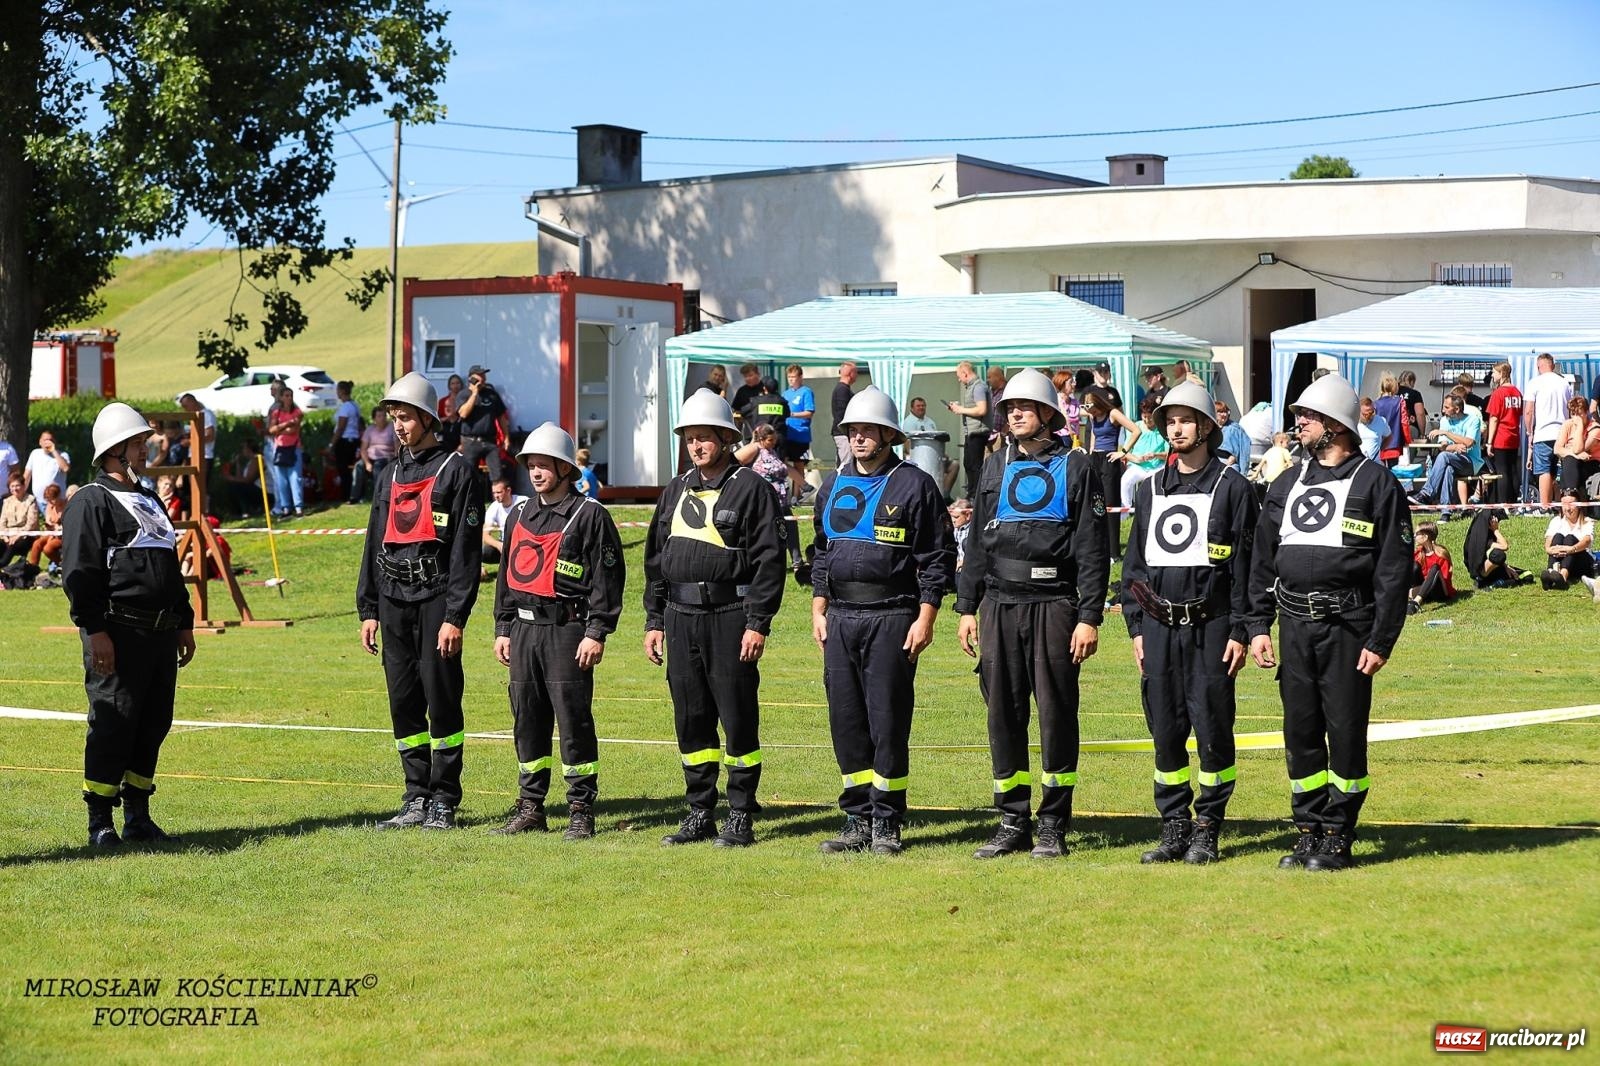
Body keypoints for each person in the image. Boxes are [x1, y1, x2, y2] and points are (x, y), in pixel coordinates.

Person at [1246, 374, 1412, 872]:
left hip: (1348, 629)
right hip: (1295, 628)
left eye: (1309, 417)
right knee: (1299, 733)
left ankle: (1339, 833)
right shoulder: (1284, 482)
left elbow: (1393, 569)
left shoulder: (1376, 482)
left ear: (1336, 426)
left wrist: (1381, 639)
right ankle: (1308, 829)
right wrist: (1257, 625)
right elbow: (1261, 560)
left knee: (1343, 732)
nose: (1299, 424)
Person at [955, 368, 1108, 860]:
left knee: (1056, 716)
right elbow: (977, 541)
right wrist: (966, 607)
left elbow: (1092, 548)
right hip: (999, 604)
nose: (1014, 413)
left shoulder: (1078, 467)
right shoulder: (994, 466)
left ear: (1048, 414)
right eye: (1009, 408)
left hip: (1054, 606)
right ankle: (1012, 819)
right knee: (1003, 714)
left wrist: (1089, 616)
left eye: (1024, 407)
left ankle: (1053, 823)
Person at [1120, 381, 1258, 865]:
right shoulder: (1148, 488)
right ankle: (1174, 825)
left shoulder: (1235, 488)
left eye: (1184, 420)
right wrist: (1136, 630)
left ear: (1206, 427)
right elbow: (1134, 567)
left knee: (1213, 729)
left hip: (1213, 627)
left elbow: (1246, 569)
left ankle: (1208, 827)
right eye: (1169, 421)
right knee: (1165, 729)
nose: (1175, 429)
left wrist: (1242, 630)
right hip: (1158, 631)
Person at [812, 387, 954, 856]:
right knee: (846, 721)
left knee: (887, 720)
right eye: (852, 430)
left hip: (893, 614)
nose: (858, 438)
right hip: (841, 617)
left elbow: (938, 557)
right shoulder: (831, 484)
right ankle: (857, 818)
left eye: (867, 430)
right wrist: (818, 605)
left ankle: (887, 820)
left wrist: (926, 616)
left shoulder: (915, 485)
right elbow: (820, 550)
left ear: (889, 434)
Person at [643, 389, 785, 848]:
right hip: (680, 617)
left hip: (729, 616)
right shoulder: (674, 489)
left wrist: (756, 622)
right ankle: (700, 811)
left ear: (726, 438)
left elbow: (769, 562)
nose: (697, 446)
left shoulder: (752, 489)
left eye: (706, 438)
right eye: (690, 439)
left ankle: (741, 812)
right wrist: (654, 620)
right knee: (691, 717)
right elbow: (654, 560)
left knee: (737, 715)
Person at [62, 402, 197, 846]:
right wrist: (94, 629)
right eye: (139, 444)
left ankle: (138, 816)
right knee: (113, 725)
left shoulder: (151, 499)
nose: (146, 450)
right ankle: (100, 822)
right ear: (116, 450)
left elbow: (168, 568)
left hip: (159, 635)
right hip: (117, 633)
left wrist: (184, 621)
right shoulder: (90, 501)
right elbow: (79, 571)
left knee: (153, 723)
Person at [356, 372, 484, 831]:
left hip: (436, 601)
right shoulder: (388, 472)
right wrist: (368, 609)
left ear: (428, 419)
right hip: (392, 600)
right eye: (394, 418)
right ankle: (415, 797)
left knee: (442, 698)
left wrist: (455, 616)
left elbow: (466, 552)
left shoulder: (458, 471)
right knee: (403, 700)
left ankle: (445, 799)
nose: (399, 426)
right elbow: (374, 541)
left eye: (406, 417)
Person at [490, 423, 625, 839]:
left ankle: (581, 809)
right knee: (526, 720)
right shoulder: (517, 515)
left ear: (566, 469)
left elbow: (608, 578)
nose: (535, 472)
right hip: (523, 631)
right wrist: (502, 627)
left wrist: (596, 631)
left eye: (545, 465)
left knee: (573, 721)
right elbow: (507, 577)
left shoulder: (590, 516)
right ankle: (531, 806)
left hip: (568, 631)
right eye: (531, 465)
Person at [1081, 387, 1142, 561]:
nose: (1088, 410)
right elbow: (1094, 435)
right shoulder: (1093, 417)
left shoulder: (1113, 413)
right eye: (1085, 407)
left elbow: (1136, 430)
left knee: (1110, 503)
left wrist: (1122, 452)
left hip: (1110, 459)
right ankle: (1098, 545)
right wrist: (1091, 453)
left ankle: (1114, 552)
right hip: (1096, 458)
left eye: (1089, 406)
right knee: (1095, 502)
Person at [736, 423, 806, 572]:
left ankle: (797, 562)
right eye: (770, 440)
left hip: (781, 500)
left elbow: (785, 468)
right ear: (761, 439)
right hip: (764, 502)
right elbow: (735, 461)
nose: (773, 442)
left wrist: (803, 484)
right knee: (770, 532)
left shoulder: (771, 451)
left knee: (791, 527)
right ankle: (766, 562)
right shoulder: (754, 449)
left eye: (774, 440)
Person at [1413, 392, 1483, 520]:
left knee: (1444, 457)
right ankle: (1446, 512)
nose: (1442, 410)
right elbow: (1443, 447)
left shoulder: (1473, 420)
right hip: (1452, 459)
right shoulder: (1445, 420)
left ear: (1456, 409)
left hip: (1471, 462)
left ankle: (1427, 493)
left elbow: (1468, 442)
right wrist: (1456, 447)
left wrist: (1446, 432)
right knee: (1448, 468)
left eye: (1446, 407)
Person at [1524, 353, 1571, 509]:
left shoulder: (1534, 383)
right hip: (1562, 432)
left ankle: (1545, 505)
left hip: (1543, 433)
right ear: (1552, 365)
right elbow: (1569, 410)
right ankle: (1565, 503)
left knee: (1544, 470)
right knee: (1564, 469)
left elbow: (1529, 411)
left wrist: (1529, 432)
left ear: (1539, 366)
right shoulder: (1564, 383)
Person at [455, 364, 510, 488]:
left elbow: (501, 417)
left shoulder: (492, 394)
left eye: (484, 375)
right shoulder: (463, 394)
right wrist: (474, 394)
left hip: (490, 441)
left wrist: (506, 437)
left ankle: (500, 502)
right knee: (469, 475)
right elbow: (463, 414)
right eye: (480, 375)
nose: (483, 378)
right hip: (470, 442)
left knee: (497, 474)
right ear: (471, 378)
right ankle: (470, 503)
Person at [1113, 396, 1170, 513]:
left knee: (1159, 481)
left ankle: (1158, 509)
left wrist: (1155, 455)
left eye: (1150, 418)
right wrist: (1137, 459)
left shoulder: (1162, 429)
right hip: (1137, 466)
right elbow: (1125, 452)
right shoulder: (1136, 427)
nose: (1147, 420)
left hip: (1156, 466)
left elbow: (1168, 454)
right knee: (1125, 481)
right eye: (1144, 417)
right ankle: (1126, 511)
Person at [947, 361, 992, 499]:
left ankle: (976, 497)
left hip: (978, 432)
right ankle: (972, 495)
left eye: (959, 376)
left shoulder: (978, 387)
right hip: (972, 431)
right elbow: (975, 407)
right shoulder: (972, 387)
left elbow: (981, 409)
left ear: (965, 373)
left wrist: (960, 410)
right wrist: (959, 407)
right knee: (968, 464)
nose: (959, 379)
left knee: (974, 465)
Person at [1483, 362, 1523, 507]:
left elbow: (1493, 419)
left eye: (1494, 372)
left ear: (1502, 374)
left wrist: (1489, 442)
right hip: (1514, 435)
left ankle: (1503, 503)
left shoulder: (1498, 393)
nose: (1492, 375)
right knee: (1513, 469)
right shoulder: (1517, 392)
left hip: (1501, 436)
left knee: (1502, 471)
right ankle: (1513, 501)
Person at [1541, 487, 1594, 591]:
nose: (1568, 508)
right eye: (1564, 504)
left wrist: (1571, 549)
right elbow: (1548, 543)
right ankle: (1551, 573)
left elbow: (1586, 541)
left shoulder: (1587, 522)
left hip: (1582, 562)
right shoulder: (1556, 521)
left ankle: (1562, 577)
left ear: (1579, 505)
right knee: (1558, 536)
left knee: (1570, 538)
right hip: (1561, 558)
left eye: (1571, 504)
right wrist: (1553, 549)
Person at [176, 391, 217, 513]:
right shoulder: (193, 416)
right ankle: (194, 513)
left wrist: (190, 441)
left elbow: (210, 436)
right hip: (192, 455)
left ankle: (204, 514)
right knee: (190, 487)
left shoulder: (207, 415)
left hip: (204, 455)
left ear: (193, 402)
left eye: (186, 407)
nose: (185, 410)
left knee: (201, 487)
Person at [266, 388, 304, 517]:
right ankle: (286, 507)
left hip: (294, 447)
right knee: (281, 479)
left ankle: (298, 507)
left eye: (291, 396)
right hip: (280, 448)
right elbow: (271, 430)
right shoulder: (276, 412)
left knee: (295, 478)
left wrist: (280, 429)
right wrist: (287, 423)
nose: (289, 398)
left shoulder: (297, 412)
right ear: (281, 397)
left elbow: (294, 429)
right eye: (286, 396)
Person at [1553, 397, 1600, 501]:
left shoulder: (1595, 429)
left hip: (1591, 464)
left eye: (1579, 414)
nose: (1576, 418)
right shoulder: (1567, 424)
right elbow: (1557, 449)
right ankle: (1571, 496)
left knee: (1569, 461)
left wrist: (1579, 427)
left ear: (1587, 412)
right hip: (1573, 463)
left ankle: (1570, 498)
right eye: (1573, 414)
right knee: (1570, 460)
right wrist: (1573, 454)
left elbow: (1577, 449)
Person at [780, 364, 815, 500]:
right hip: (786, 433)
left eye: (793, 377)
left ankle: (796, 495)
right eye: (789, 377)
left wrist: (793, 414)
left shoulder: (806, 392)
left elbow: (809, 412)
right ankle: (795, 491)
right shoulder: (786, 393)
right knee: (782, 461)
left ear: (800, 377)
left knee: (798, 464)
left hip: (801, 434)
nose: (791, 380)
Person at [1407, 522, 1454, 614]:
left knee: (1435, 568)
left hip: (1440, 592)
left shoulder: (1441, 554)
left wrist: (1413, 591)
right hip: (1425, 592)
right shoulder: (1419, 553)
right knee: (1413, 565)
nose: (1414, 536)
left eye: (1417, 534)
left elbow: (1445, 584)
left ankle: (1416, 602)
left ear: (1425, 536)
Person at [482, 476, 528, 568]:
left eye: (499, 492)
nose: (496, 496)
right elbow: (485, 535)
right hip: (504, 543)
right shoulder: (494, 507)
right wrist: (499, 545)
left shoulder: (524, 502)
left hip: (522, 543)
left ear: (508, 490)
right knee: (484, 552)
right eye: (494, 493)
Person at [355, 405, 397, 504]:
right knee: (358, 466)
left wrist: (396, 458)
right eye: (379, 416)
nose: (382, 418)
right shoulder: (370, 429)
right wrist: (367, 463)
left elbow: (397, 445)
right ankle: (355, 497)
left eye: (383, 416)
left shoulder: (392, 427)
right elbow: (363, 449)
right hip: (370, 456)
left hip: (385, 456)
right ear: (374, 419)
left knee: (378, 467)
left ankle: (378, 497)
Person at [332, 380, 363, 504]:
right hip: (354, 440)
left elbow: (340, 428)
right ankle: (352, 494)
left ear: (342, 391)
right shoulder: (354, 405)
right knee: (350, 469)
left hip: (344, 441)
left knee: (343, 470)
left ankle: (346, 495)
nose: (337, 393)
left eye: (338, 390)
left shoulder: (345, 407)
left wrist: (331, 444)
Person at [1, 470, 39, 567]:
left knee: (11, 547)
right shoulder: (7, 501)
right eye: (12, 486)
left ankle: (2, 565)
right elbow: (2, 522)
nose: (15, 488)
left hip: (25, 536)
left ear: (23, 486)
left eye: (17, 485)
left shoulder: (31, 500)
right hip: (8, 536)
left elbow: (31, 524)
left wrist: (17, 536)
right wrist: (5, 537)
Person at [741, 376, 790, 444]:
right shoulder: (782, 402)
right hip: (778, 440)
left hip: (761, 440)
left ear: (764, 388)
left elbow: (743, 411)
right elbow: (788, 414)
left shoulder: (756, 401)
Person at [28, 482, 66, 571]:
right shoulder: (50, 505)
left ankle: (62, 564)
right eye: (48, 500)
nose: (50, 502)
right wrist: (51, 526)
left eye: (52, 499)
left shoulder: (66, 506)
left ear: (58, 496)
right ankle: (32, 569)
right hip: (52, 533)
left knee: (48, 548)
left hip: (63, 536)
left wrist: (58, 527)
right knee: (37, 543)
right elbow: (48, 520)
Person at [1373, 373, 1409, 466]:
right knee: (1393, 471)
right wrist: (1408, 440)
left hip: (1379, 444)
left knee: (1381, 471)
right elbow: (1404, 423)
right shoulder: (1400, 402)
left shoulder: (1375, 404)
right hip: (1395, 442)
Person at [23, 430, 70, 499]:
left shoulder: (63, 455)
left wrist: (54, 451)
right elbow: (27, 475)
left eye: (50, 440)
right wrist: (22, 492)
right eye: (45, 440)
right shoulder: (35, 453)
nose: (48, 442)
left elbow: (66, 468)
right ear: (40, 442)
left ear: (54, 442)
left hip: (57, 501)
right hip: (38, 500)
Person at [221, 439, 262, 517]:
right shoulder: (250, 461)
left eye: (244, 448)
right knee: (233, 485)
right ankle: (237, 512)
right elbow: (240, 478)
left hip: (262, 490)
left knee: (236, 487)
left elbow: (248, 480)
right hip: (253, 488)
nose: (242, 450)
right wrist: (238, 463)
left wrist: (231, 478)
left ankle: (246, 511)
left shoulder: (256, 460)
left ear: (249, 449)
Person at [830, 361, 858, 468]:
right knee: (846, 465)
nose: (857, 375)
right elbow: (843, 413)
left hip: (842, 432)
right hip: (842, 433)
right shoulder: (842, 390)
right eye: (856, 372)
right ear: (851, 373)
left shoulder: (843, 389)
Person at [1214, 399, 1254, 469]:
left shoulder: (1234, 428)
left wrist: (1232, 458)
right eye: (1220, 412)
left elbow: (1244, 446)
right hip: (1213, 461)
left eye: (1226, 412)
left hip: (1228, 463)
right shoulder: (1210, 427)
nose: (1224, 414)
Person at [437, 373, 465, 453]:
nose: (455, 386)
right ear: (449, 386)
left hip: (461, 433)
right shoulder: (443, 401)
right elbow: (436, 420)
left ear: (461, 385)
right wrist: (448, 418)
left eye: (457, 383)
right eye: (453, 383)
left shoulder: (465, 401)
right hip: (446, 433)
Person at [1397, 370, 1427, 444]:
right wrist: (1422, 433)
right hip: (1409, 428)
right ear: (1411, 381)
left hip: (1393, 429)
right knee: (1409, 453)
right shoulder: (1415, 394)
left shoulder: (1392, 392)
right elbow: (1420, 414)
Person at [949, 497, 972, 571]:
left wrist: (962, 562)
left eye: (956, 517)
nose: (953, 520)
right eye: (952, 517)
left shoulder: (972, 531)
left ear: (968, 515)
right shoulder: (954, 529)